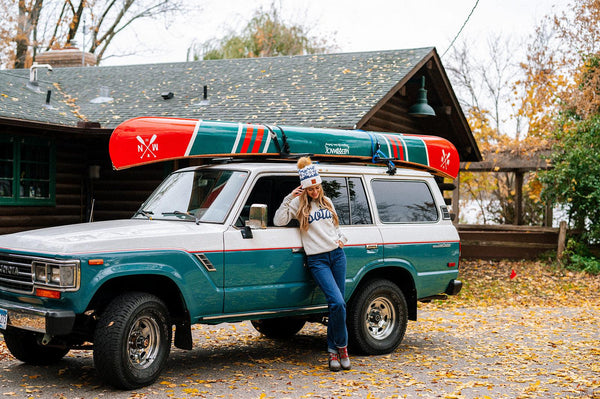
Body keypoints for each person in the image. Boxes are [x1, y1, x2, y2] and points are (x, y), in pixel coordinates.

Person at [274, 157, 350, 372]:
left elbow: (337, 228)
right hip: (317, 260)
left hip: (337, 256)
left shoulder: (327, 202)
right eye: (311, 189)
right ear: (305, 189)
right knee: (337, 303)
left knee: (338, 306)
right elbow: (279, 220)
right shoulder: (299, 204)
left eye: (317, 188)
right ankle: (340, 348)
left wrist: (341, 240)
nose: (315, 192)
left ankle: (336, 351)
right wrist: (290, 196)